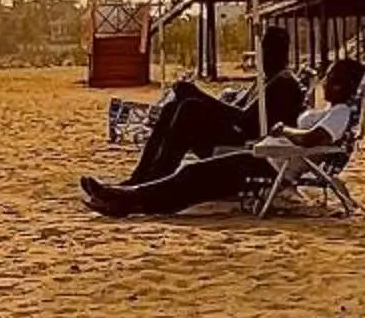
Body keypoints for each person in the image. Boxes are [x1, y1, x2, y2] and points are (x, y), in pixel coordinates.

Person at [80, 54, 365, 219]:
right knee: (194, 177)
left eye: (330, 78)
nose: (324, 82)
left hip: (269, 165)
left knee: (193, 175)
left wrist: (283, 130)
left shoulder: (340, 113)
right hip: (262, 157)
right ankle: (127, 198)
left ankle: (127, 199)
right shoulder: (331, 110)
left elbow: (312, 140)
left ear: (340, 85)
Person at [103, 26, 303, 195]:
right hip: (239, 134)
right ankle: (141, 176)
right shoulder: (265, 80)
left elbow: (246, 121)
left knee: (190, 108)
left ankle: (155, 180)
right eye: (262, 51)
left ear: (280, 54)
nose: (262, 57)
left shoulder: (283, 84)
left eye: (267, 51)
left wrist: (199, 95)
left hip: (251, 145)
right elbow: (238, 109)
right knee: (173, 107)